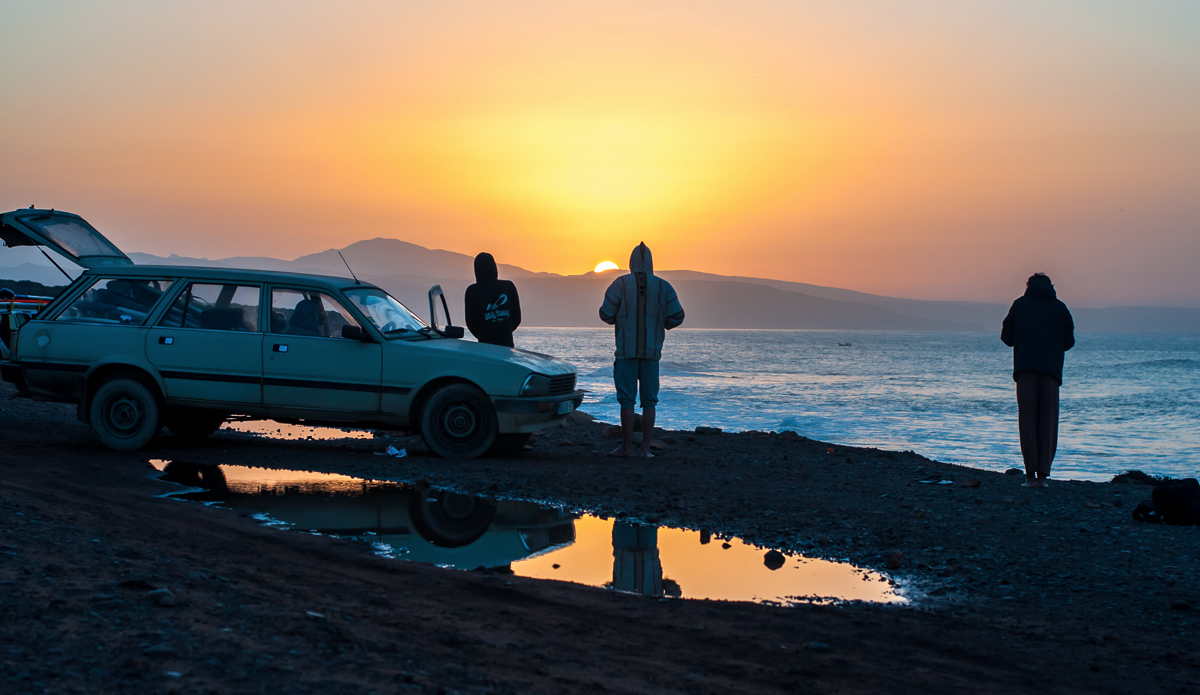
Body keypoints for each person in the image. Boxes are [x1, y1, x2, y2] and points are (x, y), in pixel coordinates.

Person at [599, 242, 685, 458]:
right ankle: (645, 449)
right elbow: (678, 316)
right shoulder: (664, 287)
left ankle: (627, 448)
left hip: (626, 352)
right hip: (651, 353)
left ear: (631, 263)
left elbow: (605, 314)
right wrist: (660, 322)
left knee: (627, 401)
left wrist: (622, 318)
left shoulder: (619, 284)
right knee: (649, 402)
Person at [1001, 273, 1075, 488]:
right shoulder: (1060, 308)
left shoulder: (1020, 305)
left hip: (1025, 369)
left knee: (1028, 421)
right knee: (1048, 423)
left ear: (1028, 286)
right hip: (1051, 371)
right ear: (1051, 287)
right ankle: (1043, 477)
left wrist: (1025, 340)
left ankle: (1029, 476)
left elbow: (1006, 338)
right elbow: (1069, 341)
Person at [464, 252, 522, 347]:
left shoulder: (472, 291)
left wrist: (483, 335)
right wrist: (503, 331)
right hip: (506, 344)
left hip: (485, 345)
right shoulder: (508, 287)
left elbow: (471, 322)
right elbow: (516, 318)